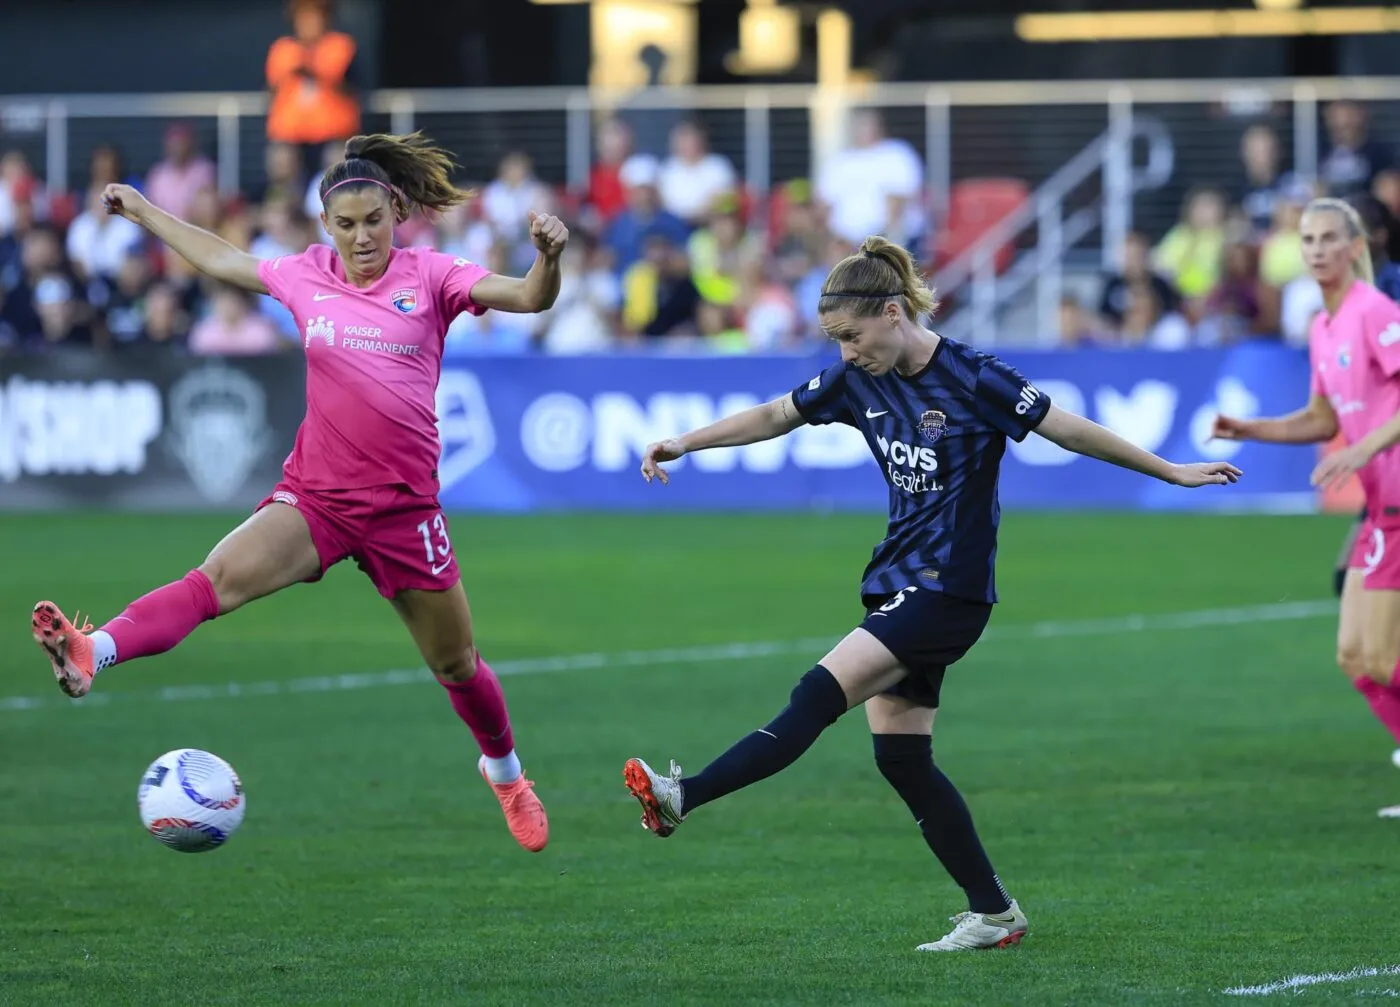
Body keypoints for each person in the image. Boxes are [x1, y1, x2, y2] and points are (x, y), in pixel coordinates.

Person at [622, 236, 1242, 951]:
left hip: (947, 591)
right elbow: (775, 415)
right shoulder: (858, 380)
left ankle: (681, 797)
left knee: (813, 695)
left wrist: (1168, 470)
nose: (846, 352)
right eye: (836, 340)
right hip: (898, 582)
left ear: (893, 311)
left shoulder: (975, 377)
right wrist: (684, 441)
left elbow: (1067, 427)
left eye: (853, 336)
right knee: (902, 757)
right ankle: (995, 912)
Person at [30, 132, 568, 853]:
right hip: (316, 499)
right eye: (344, 226)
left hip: (404, 511)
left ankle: (506, 774)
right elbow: (221, 257)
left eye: (373, 222)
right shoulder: (306, 274)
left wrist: (549, 257)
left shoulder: (434, 275)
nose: (360, 237)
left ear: (398, 210)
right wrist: (146, 211)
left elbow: (530, 296)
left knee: (457, 664)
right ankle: (94, 649)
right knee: (212, 581)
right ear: (326, 226)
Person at [1213, 198, 1400, 818]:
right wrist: (1253, 428)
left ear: (1353, 247)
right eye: (1309, 239)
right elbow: (1323, 418)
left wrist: (1363, 448)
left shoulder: (1375, 312)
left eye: (1328, 238)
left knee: (1381, 657)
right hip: (1380, 508)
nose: (1317, 248)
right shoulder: (1322, 326)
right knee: (1355, 658)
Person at [1329, 193, 1400, 599]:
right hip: (1384, 461)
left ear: (1376, 237)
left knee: (1363, 586)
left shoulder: (1390, 290)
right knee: (1352, 582)